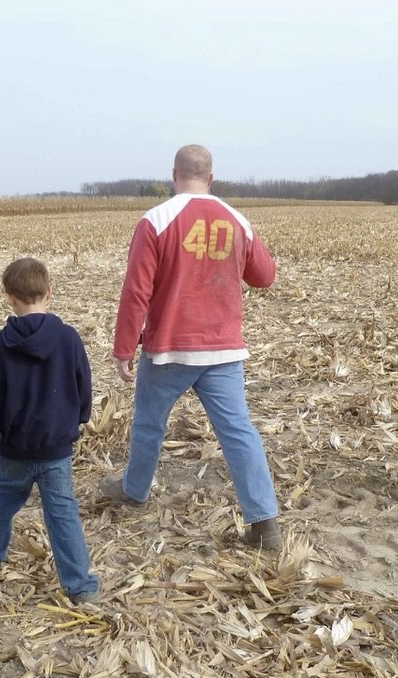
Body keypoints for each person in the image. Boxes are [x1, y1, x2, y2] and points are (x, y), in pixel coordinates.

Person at [100, 144, 282, 549]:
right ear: (211, 177)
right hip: (223, 351)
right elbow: (264, 276)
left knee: (149, 424)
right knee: (238, 432)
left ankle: (134, 491)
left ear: (174, 174)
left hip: (169, 350)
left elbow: (136, 291)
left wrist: (123, 347)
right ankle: (264, 523)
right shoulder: (236, 219)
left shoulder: (156, 220)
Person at [0, 257, 100, 603]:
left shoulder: (1, 343)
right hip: (56, 448)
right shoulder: (68, 339)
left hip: (15, 449)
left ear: (10, 297)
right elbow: (83, 385)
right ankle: (81, 587)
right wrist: (79, 419)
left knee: (2, 499)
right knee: (62, 512)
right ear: (49, 293)